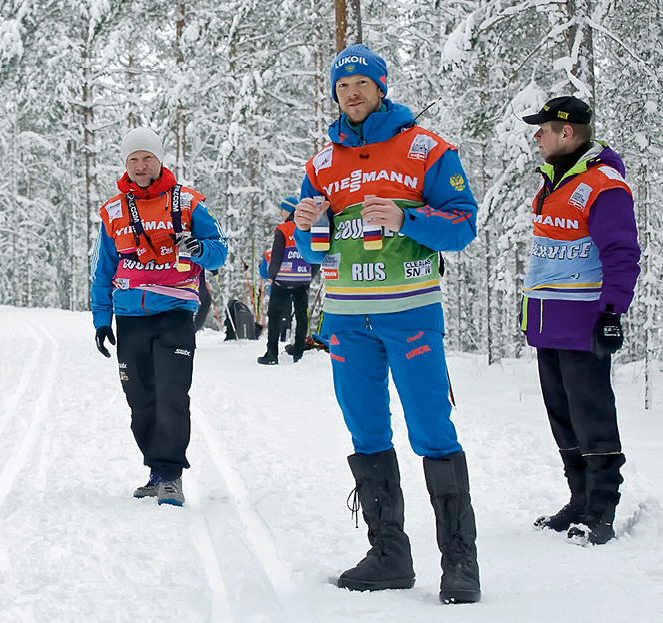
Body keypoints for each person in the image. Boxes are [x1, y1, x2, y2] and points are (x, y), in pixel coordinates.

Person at [292, 44, 481, 603]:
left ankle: (459, 561)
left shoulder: (426, 149)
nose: (351, 92)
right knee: (366, 432)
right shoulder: (321, 164)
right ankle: (389, 554)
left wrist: (407, 216)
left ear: (381, 87)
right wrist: (309, 226)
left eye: (361, 83)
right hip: (348, 318)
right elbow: (310, 249)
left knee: (432, 431)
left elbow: (462, 225)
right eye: (342, 84)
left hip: (411, 313)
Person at [520, 96, 640, 545]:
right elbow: (547, 255)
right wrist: (528, 306)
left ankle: (601, 508)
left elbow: (622, 253)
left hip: (584, 320)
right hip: (548, 319)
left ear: (566, 133)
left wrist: (612, 312)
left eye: (543, 129)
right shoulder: (554, 183)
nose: (537, 136)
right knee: (562, 416)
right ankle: (578, 498)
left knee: (591, 415)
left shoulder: (603, 185)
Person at [91, 127, 228, 507]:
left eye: (147, 158)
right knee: (140, 400)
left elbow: (219, 253)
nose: (140, 166)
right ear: (125, 164)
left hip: (175, 313)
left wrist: (199, 248)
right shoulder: (113, 211)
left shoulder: (188, 202)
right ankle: (155, 471)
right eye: (133, 159)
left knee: (171, 394)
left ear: (160, 160)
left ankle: (170, 475)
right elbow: (102, 270)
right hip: (130, 315)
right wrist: (101, 320)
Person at [257, 197, 317, 365]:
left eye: (282, 209)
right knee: (301, 317)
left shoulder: (282, 229)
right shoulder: (308, 228)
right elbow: (316, 256)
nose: (280, 213)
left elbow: (276, 256)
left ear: (289, 211)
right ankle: (298, 353)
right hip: (302, 281)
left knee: (274, 316)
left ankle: (272, 354)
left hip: (282, 280)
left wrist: (272, 275)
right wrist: (309, 275)